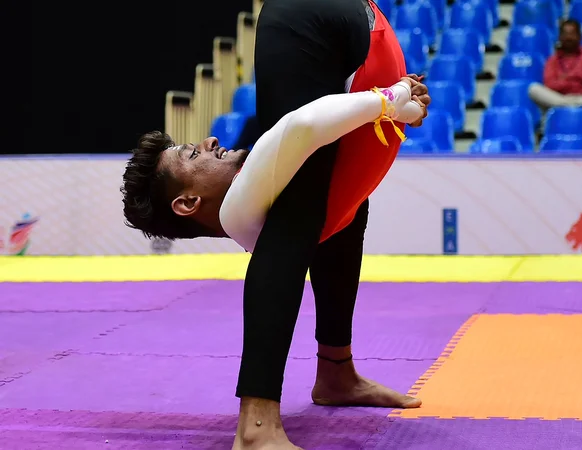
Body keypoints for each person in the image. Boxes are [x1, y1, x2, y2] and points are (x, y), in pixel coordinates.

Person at [121, 0, 430, 449]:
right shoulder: (247, 202)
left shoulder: (268, 203)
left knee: (332, 213)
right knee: (302, 209)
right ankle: (257, 425)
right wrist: (396, 99)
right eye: (192, 154)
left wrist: (402, 107)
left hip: (346, 35)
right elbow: (302, 125)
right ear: (188, 203)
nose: (209, 140)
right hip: (308, 18)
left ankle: (336, 373)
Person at [528, 19, 582, 110]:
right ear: (559, 37)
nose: (569, 37)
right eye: (565, 34)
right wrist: (578, 80)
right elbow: (550, 84)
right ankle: (566, 106)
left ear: (580, 36)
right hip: (559, 98)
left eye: (572, 33)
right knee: (533, 89)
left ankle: (562, 107)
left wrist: (566, 78)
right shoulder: (552, 60)